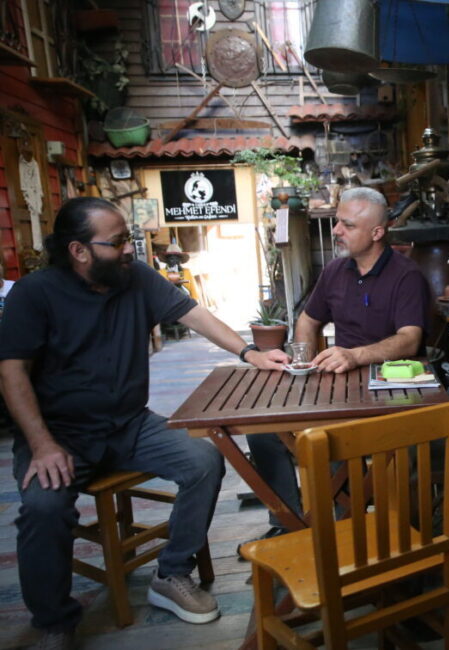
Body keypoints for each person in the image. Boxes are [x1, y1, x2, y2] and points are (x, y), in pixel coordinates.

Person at [0, 197, 289, 650]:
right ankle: (54, 622)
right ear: (79, 251)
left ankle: (172, 573)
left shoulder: (136, 279)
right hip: (58, 434)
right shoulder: (34, 294)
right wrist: (40, 444)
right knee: (43, 508)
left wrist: (249, 354)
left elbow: (194, 315)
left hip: (129, 424)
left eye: (127, 239)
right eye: (116, 242)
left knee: (203, 461)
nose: (129, 249)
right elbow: (11, 372)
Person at [242, 187, 431, 549]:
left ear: (377, 232)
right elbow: (308, 321)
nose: (336, 231)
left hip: (389, 393)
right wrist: (303, 363)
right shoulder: (334, 272)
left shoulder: (406, 276)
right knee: (262, 431)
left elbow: (409, 339)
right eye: (337, 222)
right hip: (337, 388)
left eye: (346, 224)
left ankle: (358, 526)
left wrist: (356, 355)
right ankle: (289, 523)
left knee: (338, 444)